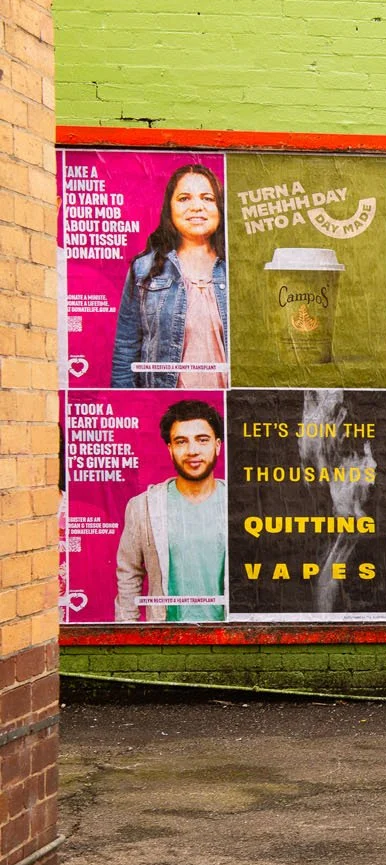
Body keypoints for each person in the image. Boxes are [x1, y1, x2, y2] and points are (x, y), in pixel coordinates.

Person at [111, 164, 228, 388]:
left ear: (220, 207)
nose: (196, 207)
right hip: (163, 398)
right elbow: (126, 350)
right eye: (184, 198)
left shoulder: (239, 268)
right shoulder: (143, 269)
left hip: (231, 406)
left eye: (207, 198)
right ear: (169, 208)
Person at [115, 400, 226, 622]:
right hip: (166, 638)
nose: (192, 451)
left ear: (217, 445)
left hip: (228, 640)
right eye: (181, 441)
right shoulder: (143, 506)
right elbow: (128, 574)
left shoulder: (238, 502)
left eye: (202, 440)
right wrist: (129, 638)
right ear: (170, 449)